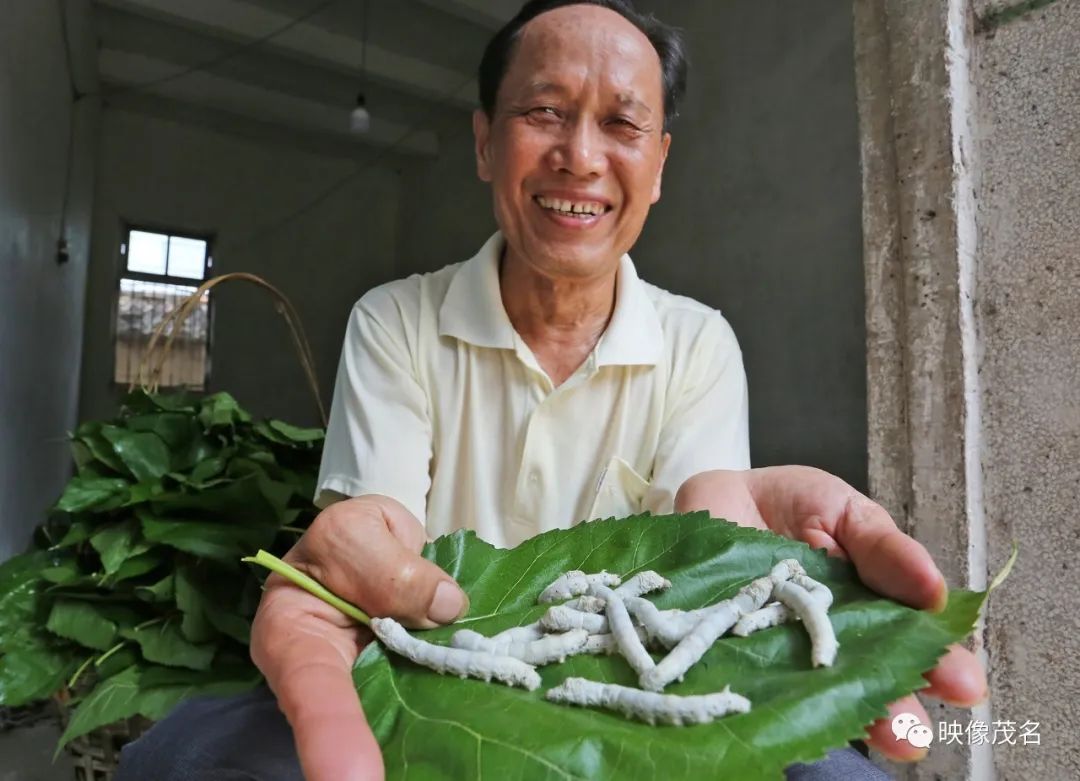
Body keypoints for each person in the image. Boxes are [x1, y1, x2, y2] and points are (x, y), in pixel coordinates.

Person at [117, 1, 986, 779]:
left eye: (621, 124)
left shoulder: (697, 342)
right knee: (180, 756)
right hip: (440, 676)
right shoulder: (396, 320)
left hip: (628, 688)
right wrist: (365, 550)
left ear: (659, 162)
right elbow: (381, 527)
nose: (579, 157)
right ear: (486, 141)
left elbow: (708, 523)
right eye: (544, 112)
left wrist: (743, 560)